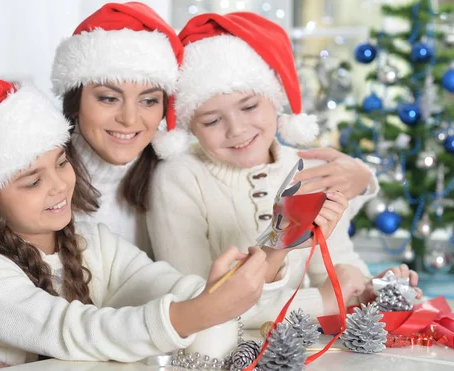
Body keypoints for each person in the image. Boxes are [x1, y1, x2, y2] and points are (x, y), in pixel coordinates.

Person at [0, 79, 346, 367]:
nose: (59, 186)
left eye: (61, 163)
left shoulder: (90, 240)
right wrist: (197, 311)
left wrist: (272, 249)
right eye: (32, 181)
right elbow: (70, 330)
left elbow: (171, 288)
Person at [147, 12, 421, 326]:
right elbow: (197, 304)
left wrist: (371, 288)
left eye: (249, 106)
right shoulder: (178, 179)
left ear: (276, 101)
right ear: (189, 126)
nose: (236, 130)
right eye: (211, 120)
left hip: (306, 348)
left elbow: (336, 268)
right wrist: (324, 300)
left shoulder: (311, 170)